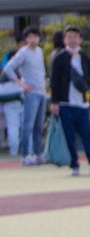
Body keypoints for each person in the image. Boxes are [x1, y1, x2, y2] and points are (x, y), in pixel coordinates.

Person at [50, 27, 90, 177]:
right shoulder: (59, 58)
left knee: (88, 135)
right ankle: (74, 165)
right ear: (64, 40)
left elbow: (88, 77)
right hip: (65, 103)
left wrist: (88, 90)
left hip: (82, 104)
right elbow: (54, 81)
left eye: (75, 36)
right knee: (69, 136)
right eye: (69, 36)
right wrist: (55, 102)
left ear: (80, 39)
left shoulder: (84, 57)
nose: (72, 39)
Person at [4, 28, 47, 165]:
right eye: (30, 37)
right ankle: (25, 155)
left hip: (41, 92)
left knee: (39, 126)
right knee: (28, 125)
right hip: (31, 93)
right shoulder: (23, 52)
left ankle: (38, 153)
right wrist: (21, 84)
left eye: (35, 36)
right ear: (26, 39)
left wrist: (43, 81)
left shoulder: (39, 51)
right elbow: (8, 68)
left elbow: (41, 70)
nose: (33, 39)